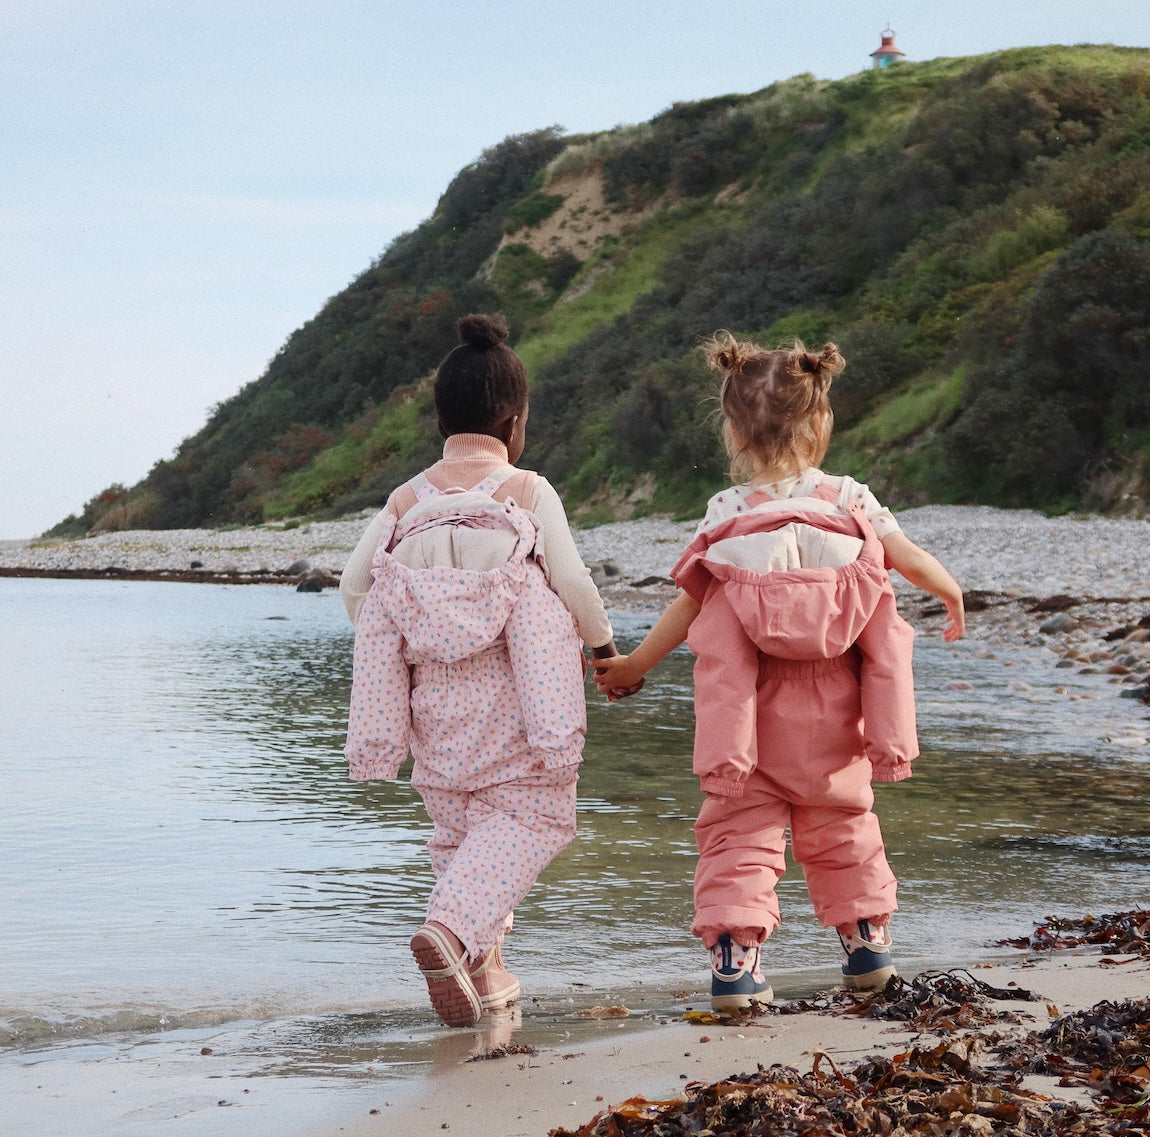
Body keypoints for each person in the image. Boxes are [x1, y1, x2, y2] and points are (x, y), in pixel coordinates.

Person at [591, 332, 965, 1011]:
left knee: (739, 837)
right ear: (821, 421)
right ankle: (866, 945)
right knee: (843, 825)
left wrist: (633, 666)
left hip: (749, 718)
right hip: (835, 709)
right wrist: (951, 592)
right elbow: (907, 558)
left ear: (733, 430)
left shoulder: (729, 516)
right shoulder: (852, 503)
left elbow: (690, 606)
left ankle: (736, 966)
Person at [341, 312, 619, 1028]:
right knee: (531, 818)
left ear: (440, 417)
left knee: (465, 841)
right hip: (515, 710)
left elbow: (354, 586)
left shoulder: (408, 500)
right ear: (514, 419)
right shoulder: (525, 491)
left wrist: (419, 636)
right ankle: (451, 933)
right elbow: (572, 579)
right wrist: (602, 649)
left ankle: (485, 974)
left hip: (436, 714)